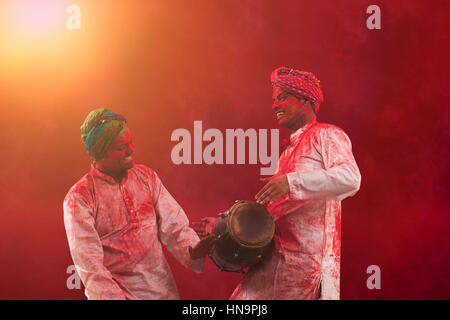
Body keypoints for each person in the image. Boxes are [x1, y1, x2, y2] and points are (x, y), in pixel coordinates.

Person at [195, 67, 361, 300]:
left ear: (305, 100)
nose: (274, 106)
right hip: (273, 265)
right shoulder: (286, 155)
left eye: (282, 97)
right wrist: (224, 224)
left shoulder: (327, 134)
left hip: (306, 272)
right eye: (273, 100)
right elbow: (273, 213)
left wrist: (291, 183)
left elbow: (350, 178)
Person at [63, 108, 214, 300]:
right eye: (120, 147)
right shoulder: (79, 197)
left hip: (165, 294)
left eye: (130, 142)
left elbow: (175, 225)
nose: (131, 150)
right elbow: (90, 267)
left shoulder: (146, 177)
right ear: (100, 152)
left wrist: (193, 249)